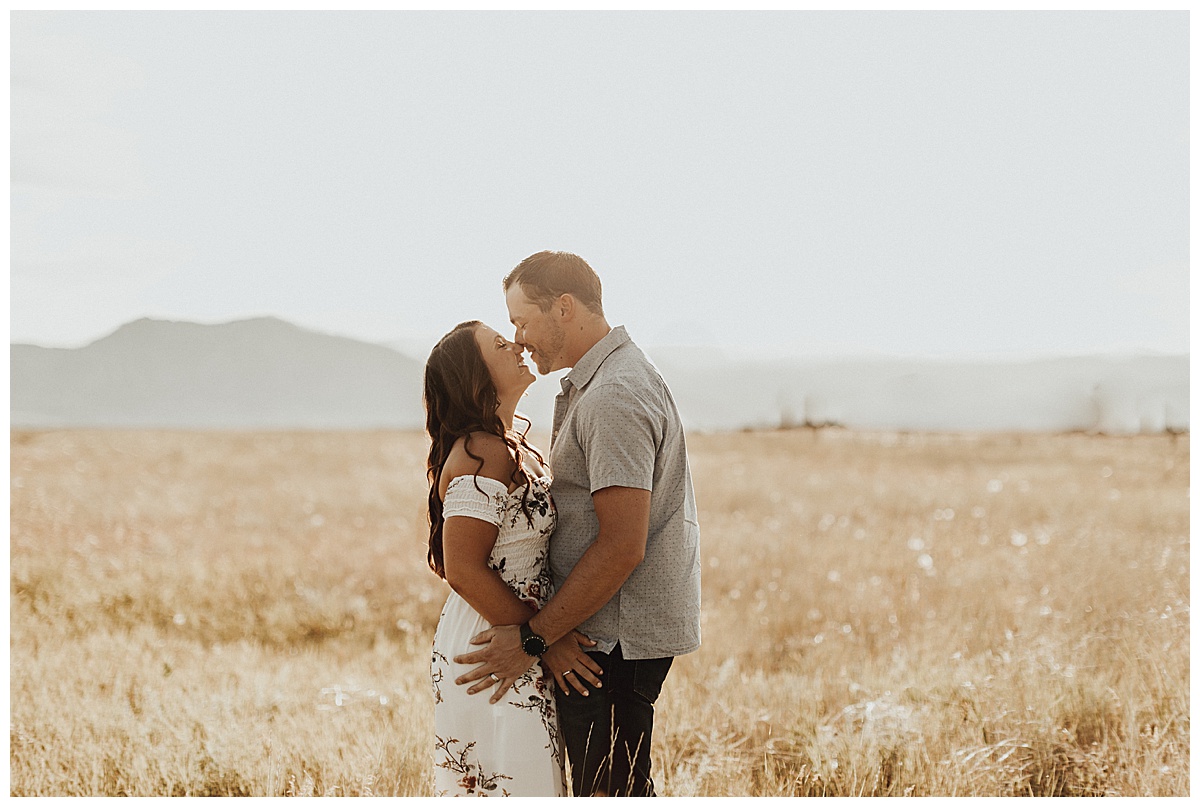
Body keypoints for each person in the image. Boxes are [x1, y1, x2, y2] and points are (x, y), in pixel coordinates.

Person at [453, 251, 702, 797]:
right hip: (597, 630)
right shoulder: (600, 383)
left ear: (563, 307)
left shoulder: (614, 395)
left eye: (523, 320)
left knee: (610, 791)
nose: (520, 337)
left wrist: (535, 639)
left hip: (609, 639)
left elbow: (620, 545)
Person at [423, 319, 602, 797]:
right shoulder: (482, 450)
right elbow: (461, 567)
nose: (518, 344)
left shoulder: (514, 446)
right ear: (475, 375)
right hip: (493, 636)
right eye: (501, 345)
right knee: (510, 779)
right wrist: (540, 641)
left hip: (519, 631)